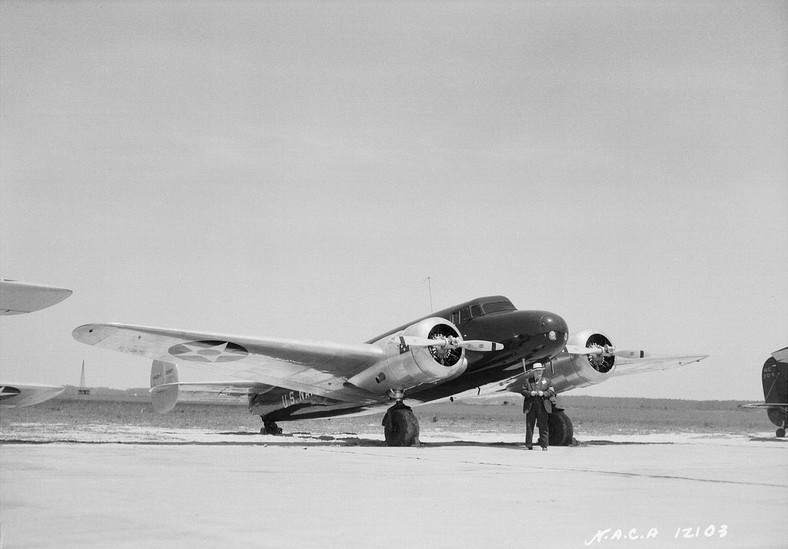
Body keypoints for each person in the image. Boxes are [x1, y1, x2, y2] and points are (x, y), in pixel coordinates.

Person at [521, 364, 556, 450]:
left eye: (540, 370)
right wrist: (530, 393)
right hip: (531, 406)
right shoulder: (528, 381)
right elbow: (523, 391)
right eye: (537, 370)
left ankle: (544, 445)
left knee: (543, 426)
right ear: (533, 372)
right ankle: (528, 445)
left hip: (542, 407)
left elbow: (551, 392)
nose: (539, 372)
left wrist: (543, 393)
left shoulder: (548, 381)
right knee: (529, 426)